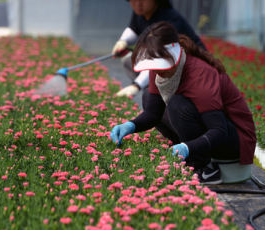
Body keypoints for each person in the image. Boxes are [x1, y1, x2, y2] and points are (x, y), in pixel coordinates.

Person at [110, 22, 256, 185]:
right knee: (148, 98)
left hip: (233, 140)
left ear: (173, 55)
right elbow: (153, 113)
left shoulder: (200, 74)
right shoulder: (158, 70)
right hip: (212, 131)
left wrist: (188, 148)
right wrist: (130, 126)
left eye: (161, 66)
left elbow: (219, 130)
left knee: (177, 104)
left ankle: (205, 168)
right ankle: (192, 155)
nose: (158, 71)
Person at [112, 0, 206, 98]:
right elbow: (134, 28)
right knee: (129, 60)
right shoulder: (141, 13)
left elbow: (159, 59)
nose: (138, 4)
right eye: (134, 0)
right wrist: (123, 41)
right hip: (167, 66)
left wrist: (136, 85)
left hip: (191, 72)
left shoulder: (168, 21)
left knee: (151, 96)